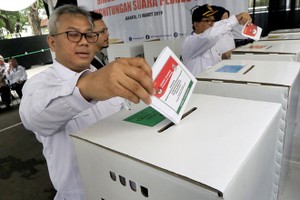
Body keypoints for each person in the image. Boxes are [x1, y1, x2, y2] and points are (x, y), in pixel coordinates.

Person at [19, 5, 154, 200]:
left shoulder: (106, 77)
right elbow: (35, 119)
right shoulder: (39, 84)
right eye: (72, 34)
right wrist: (86, 89)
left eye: (89, 35)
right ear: (52, 42)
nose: (83, 42)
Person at [182, 4, 252, 76]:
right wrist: (236, 19)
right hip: (199, 86)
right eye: (207, 21)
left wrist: (227, 55)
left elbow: (216, 61)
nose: (211, 24)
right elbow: (209, 36)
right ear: (196, 25)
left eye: (212, 21)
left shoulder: (211, 43)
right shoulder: (190, 42)